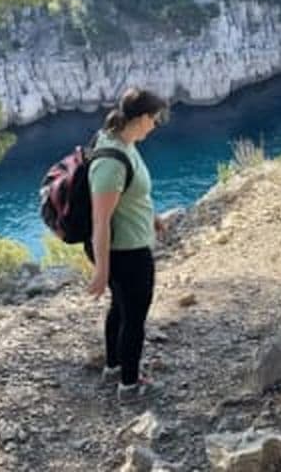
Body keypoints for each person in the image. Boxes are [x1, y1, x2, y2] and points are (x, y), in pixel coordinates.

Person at [86, 87, 169, 404]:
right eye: (155, 118)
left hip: (129, 245)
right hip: (126, 253)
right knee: (134, 318)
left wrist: (153, 216)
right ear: (143, 117)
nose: (156, 124)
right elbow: (101, 220)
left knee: (120, 309)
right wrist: (101, 271)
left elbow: (134, 194)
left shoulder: (123, 141)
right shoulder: (112, 162)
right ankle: (130, 386)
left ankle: (113, 368)